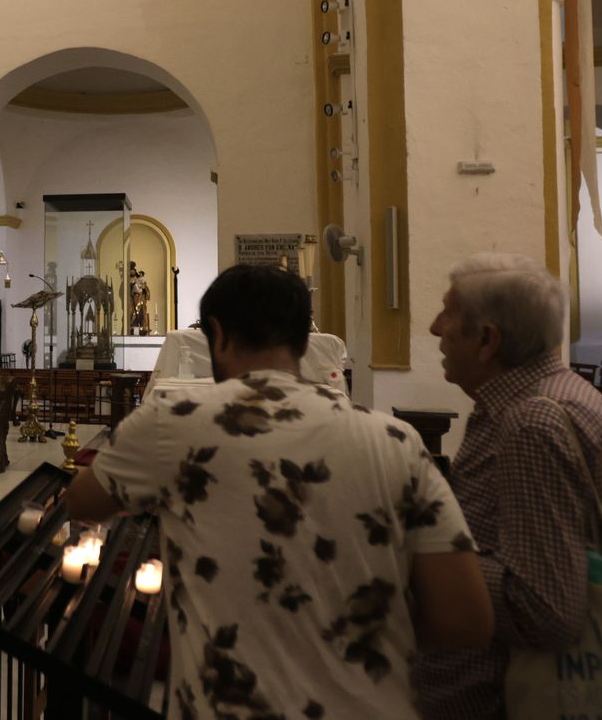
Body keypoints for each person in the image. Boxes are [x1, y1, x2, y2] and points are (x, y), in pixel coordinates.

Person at [67, 265, 492, 719]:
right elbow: (466, 618)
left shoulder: (175, 421)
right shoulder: (396, 441)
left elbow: (83, 501)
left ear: (217, 334)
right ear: (304, 339)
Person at [413, 253, 602, 719]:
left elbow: (545, 610)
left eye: (448, 312)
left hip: (499, 695)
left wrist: (428, 551)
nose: (436, 327)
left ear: (486, 339)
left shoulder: (531, 425)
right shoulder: (553, 397)